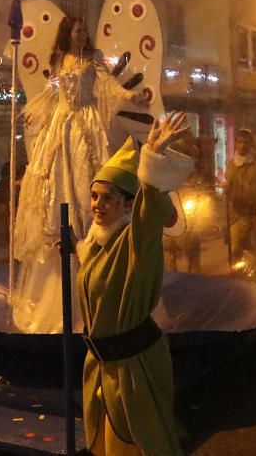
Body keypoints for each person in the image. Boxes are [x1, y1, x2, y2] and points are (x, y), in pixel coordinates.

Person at [12, 16, 143, 333]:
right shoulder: (60, 59)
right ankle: (65, 253)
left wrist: (127, 96)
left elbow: (108, 85)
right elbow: (52, 89)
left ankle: (91, 244)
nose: (82, 33)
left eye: (85, 29)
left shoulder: (92, 59)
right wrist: (34, 110)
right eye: (77, 29)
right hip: (62, 124)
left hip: (86, 124)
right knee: (57, 183)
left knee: (88, 179)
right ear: (67, 32)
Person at [78, 111, 193, 456]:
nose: (98, 205)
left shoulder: (135, 241)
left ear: (128, 204)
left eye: (108, 198)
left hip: (132, 371)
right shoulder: (97, 244)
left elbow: (149, 213)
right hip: (102, 368)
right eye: (95, 196)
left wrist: (153, 162)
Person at [224, 128, 256, 265]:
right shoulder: (231, 165)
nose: (242, 145)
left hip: (255, 213)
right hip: (237, 213)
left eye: (245, 142)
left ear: (251, 143)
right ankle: (235, 277)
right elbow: (229, 186)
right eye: (239, 142)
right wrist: (227, 188)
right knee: (235, 247)